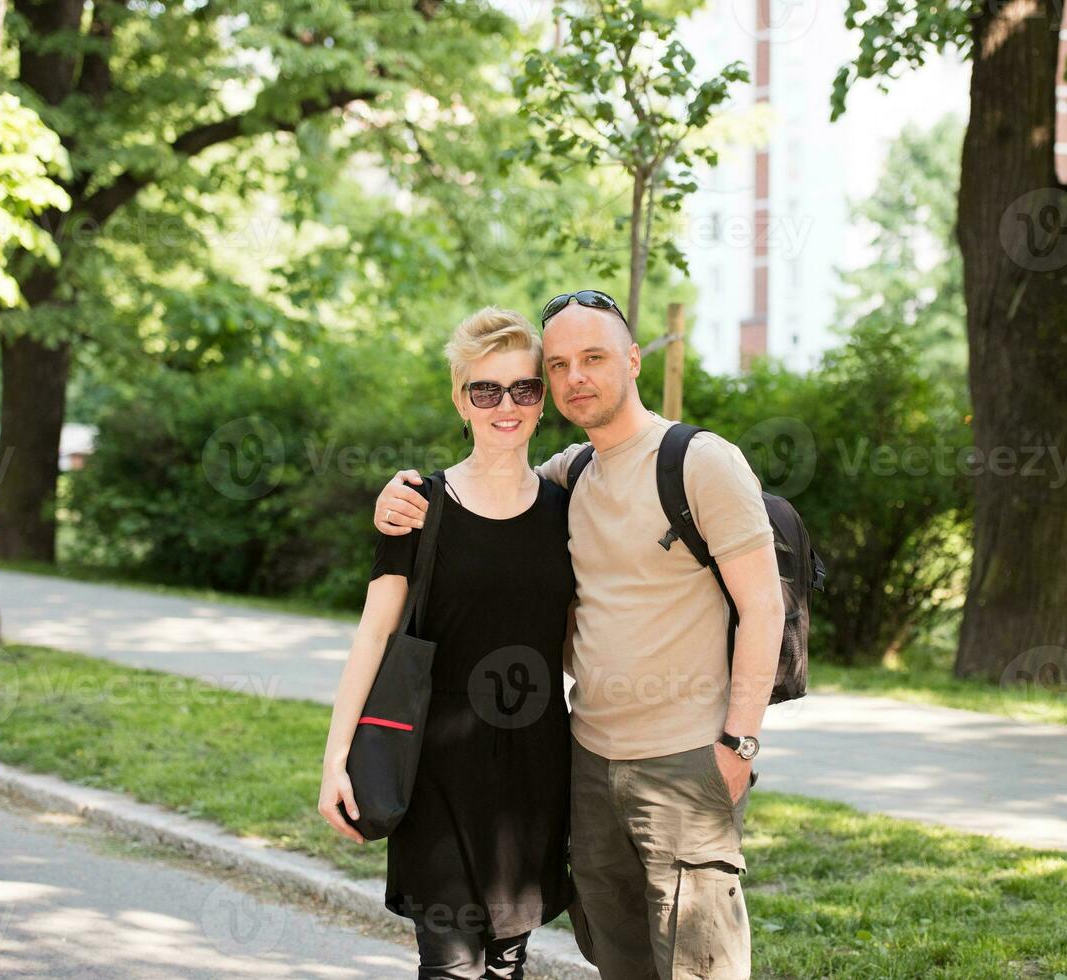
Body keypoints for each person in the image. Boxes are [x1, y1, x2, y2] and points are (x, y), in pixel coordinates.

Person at [373, 290, 784, 979]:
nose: (575, 377)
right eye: (558, 365)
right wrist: (401, 498)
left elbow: (763, 606)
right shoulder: (569, 474)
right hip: (589, 764)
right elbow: (487, 501)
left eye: (592, 358)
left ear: (631, 360)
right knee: (618, 961)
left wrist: (737, 744)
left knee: (701, 968)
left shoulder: (700, 462)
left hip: (686, 762)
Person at [319, 308, 576, 980]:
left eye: (522, 388)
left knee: (506, 967)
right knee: (452, 968)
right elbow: (373, 634)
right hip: (435, 765)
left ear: (541, 400)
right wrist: (335, 760)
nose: (504, 407)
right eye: (483, 390)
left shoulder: (566, 509)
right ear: (460, 400)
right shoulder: (417, 506)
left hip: (533, 769)